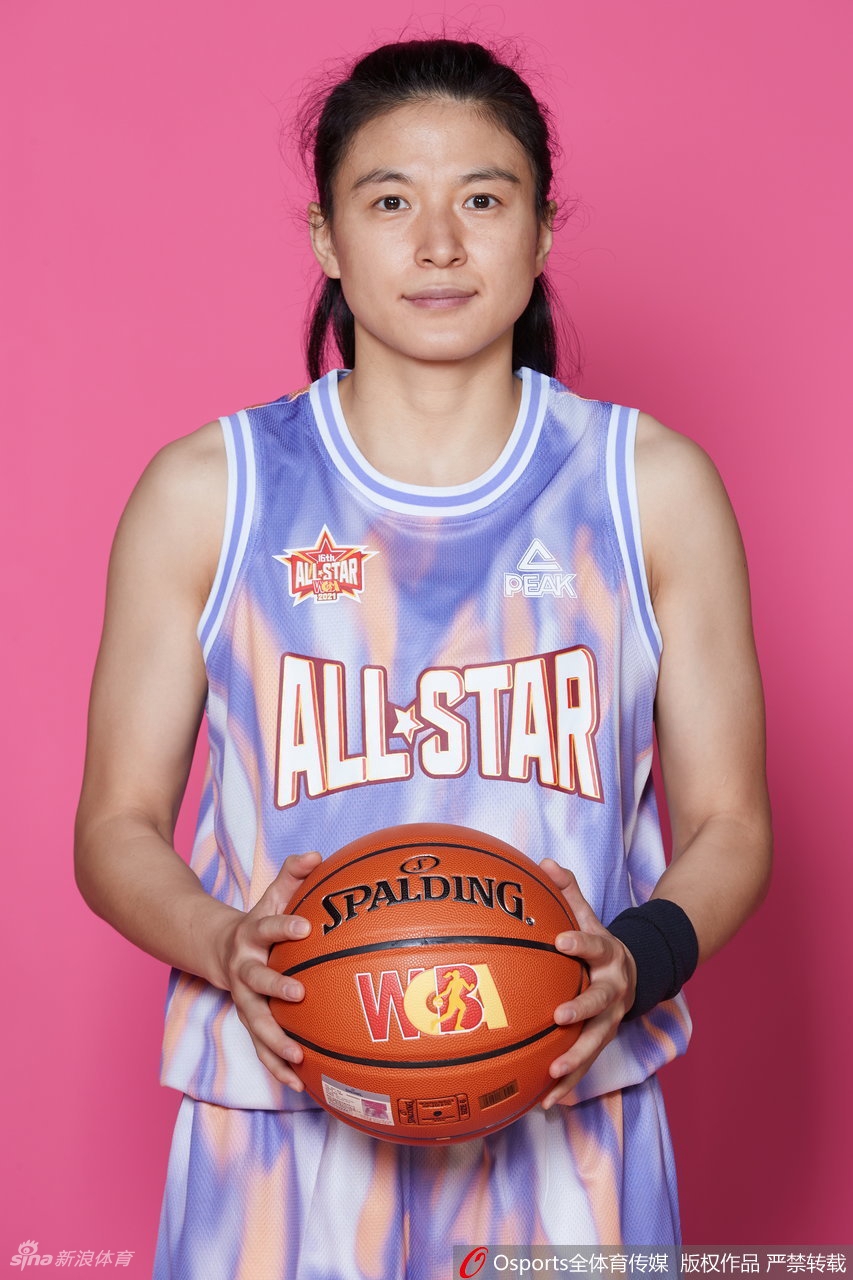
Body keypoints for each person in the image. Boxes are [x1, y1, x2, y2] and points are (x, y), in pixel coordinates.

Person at [74, 36, 772, 1279]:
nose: (438, 243)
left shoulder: (648, 487)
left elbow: (732, 822)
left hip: (565, 1122)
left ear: (541, 232)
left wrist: (638, 956)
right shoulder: (210, 492)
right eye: (390, 201)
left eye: (483, 200)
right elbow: (114, 826)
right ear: (327, 237)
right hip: (280, 1129)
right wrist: (224, 938)